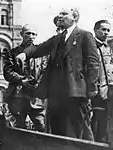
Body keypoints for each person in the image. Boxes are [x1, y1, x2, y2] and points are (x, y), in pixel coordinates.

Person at [16, 7, 100, 140]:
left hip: (75, 92)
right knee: (58, 129)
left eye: (64, 14)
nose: (60, 16)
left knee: (79, 128)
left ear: (75, 17)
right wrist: (24, 54)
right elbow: (39, 48)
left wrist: (91, 88)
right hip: (56, 92)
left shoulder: (85, 35)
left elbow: (93, 64)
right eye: (59, 14)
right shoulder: (58, 38)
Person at [3, 24, 47, 132]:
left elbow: (45, 71)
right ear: (22, 34)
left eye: (33, 34)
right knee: (18, 126)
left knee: (41, 125)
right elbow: (7, 72)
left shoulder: (41, 54)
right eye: (28, 33)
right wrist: (21, 80)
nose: (31, 36)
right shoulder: (12, 53)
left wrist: (38, 83)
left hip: (35, 97)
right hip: (18, 95)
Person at [91, 19, 113, 142]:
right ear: (95, 30)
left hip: (109, 90)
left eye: (108, 30)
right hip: (96, 92)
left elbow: (111, 66)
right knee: (96, 122)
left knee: (107, 122)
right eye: (103, 29)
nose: (106, 33)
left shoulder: (107, 47)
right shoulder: (90, 46)